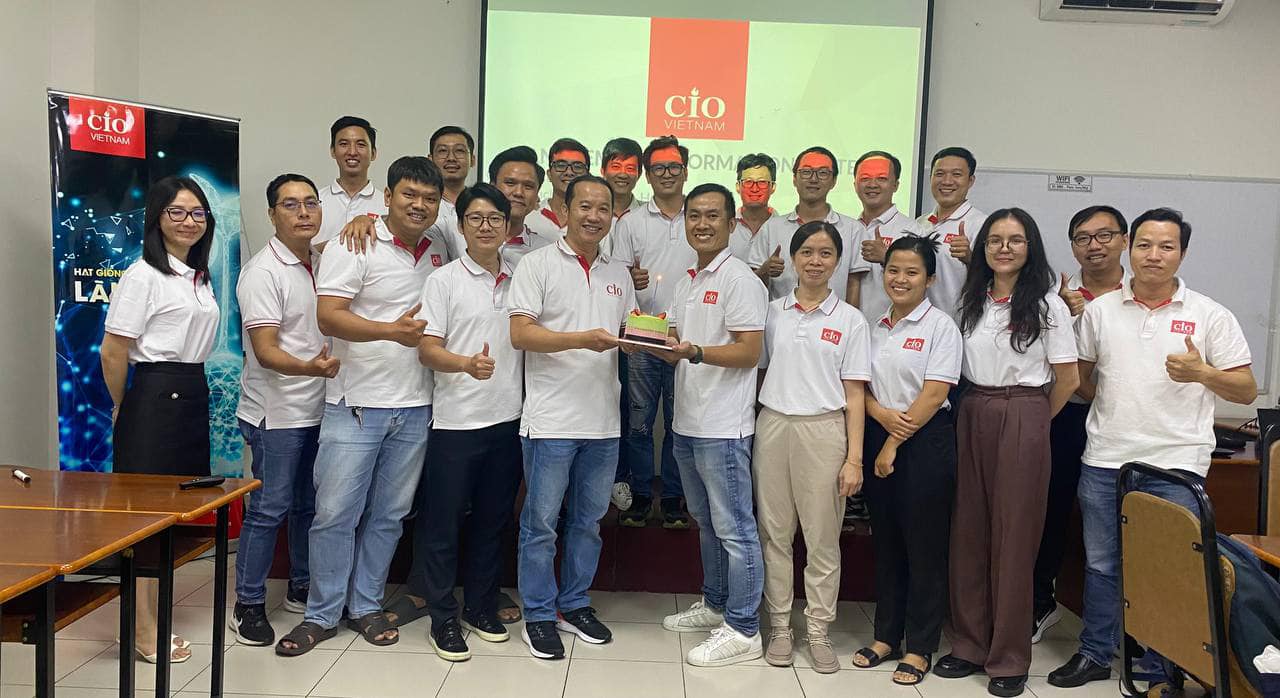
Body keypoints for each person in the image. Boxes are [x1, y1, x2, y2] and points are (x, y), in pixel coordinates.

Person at [1048, 208, 1256, 689]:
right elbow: (1079, 377)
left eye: (1166, 246)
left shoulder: (1209, 315)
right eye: (1145, 245)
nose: (1154, 255)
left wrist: (1203, 373)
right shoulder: (1101, 311)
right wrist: (1115, 400)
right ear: (1130, 247)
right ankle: (1096, 653)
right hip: (1105, 460)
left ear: (1182, 253)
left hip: (1175, 466)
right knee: (1101, 564)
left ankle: (1170, 662)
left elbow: (1246, 389)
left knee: (1170, 567)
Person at [276, 156, 448, 656]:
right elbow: (329, 317)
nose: (419, 206)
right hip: (355, 405)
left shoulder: (439, 247)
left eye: (430, 199)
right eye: (409, 195)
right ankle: (321, 614)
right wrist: (391, 331)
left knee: (390, 516)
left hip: (416, 405)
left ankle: (366, 605)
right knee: (334, 515)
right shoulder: (355, 242)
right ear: (388, 196)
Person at [935, 208, 1079, 698]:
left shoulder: (1047, 305)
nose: (1003, 248)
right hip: (973, 406)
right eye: (994, 240)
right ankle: (968, 644)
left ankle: (1009, 656)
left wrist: (1032, 421)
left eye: (1015, 240)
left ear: (1030, 247)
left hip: (1024, 410)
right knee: (968, 531)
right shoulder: (972, 299)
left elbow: (1068, 379)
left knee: (1014, 537)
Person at [509, 174, 636, 660]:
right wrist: (582, 339)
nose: (593, 216)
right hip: (550, 422)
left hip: (603, 422)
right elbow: (521, 334)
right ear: (564, 210)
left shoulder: (618, 272)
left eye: (603, 208)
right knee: (540, 525)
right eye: (585, 206)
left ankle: (575, 604)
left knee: (588, 523)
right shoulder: (537, 264)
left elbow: (629, 330)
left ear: (612, 216)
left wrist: (652, 340)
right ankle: (539, 614)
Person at [395, 183, 524, 662]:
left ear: (508, 227)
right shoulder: (444, 280)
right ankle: (443, 617)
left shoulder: (521, 277)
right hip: (456, 423)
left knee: (493, 521)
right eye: (475, 218)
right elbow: (427, 350)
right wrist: (465, 365)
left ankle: (481, 607)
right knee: (443, 525)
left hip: (509, 419)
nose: (486, 227)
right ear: (462, 226)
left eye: (495, 219)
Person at [100, 175, 218, 664]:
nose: (189, 221)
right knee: (144, 521)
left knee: (173, 518)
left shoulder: (198, 276)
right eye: (177, 211)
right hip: (152, 399)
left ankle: (151, 618)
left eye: (198, 212)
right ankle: (142, 630)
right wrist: (122, 405)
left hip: (190, 393)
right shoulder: (143, 275)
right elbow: (113, 350)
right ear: (157, 218)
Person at [657, 183, 769, 668]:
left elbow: (749, 352)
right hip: (688, 421)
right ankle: (717, 603)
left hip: (723, 426)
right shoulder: (688, 280)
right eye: (694, 215)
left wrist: (695, 351)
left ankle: (744, 628)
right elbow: (680, 340)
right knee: (707, 523)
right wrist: (654, 339)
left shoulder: (739, 279)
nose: (702, 224)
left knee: (735, 529)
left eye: (712, 216)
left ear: (731, 223)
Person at [753, 221, 868, 674]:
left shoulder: (850, 320)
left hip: (824, 431)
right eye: (807, 252)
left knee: (822, 539)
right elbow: (759, 372)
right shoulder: (771, 312)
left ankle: (818, 630)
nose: (815, 261)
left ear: (837, 261)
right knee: (774, 534)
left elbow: (855, 393)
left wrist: (854, 458)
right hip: (773, 425)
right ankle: (780, 626)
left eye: (825, 253)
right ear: (793, 259)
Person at [230, 174, 339, 647]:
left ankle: (300, 585)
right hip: (276, 413)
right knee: (269, 508)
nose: (303, 212)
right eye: (290, 205)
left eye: (311, 203)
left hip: (320, 407)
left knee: (308, 505)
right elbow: (266, 351)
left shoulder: (322, 261)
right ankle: (248, 603)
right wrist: (312, 368)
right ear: (271, 214)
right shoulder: (263, 272)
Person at [853, 235, 962, 687]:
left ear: (930, 279)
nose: (900, 279)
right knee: (887, 542)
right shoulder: (874, 325)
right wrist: (879, 417)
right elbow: (860, 385)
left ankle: (920, 646)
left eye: (912, 272)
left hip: (924, 441)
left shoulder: (941, 327)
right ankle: (886, 637)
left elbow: (935, 394)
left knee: (924, 547)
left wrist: (892, 444)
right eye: (893, 270)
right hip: (881, 429)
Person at [1031, 205, 1129, 644]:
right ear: (1072, 246)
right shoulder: (1056, 296)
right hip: (1066, 413)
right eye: (1083, 238)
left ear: (1124, 240)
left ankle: (1132, 622)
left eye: (1104, 235)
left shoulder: (1140, 294)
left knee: (1121, 522)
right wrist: (1067, 316)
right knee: (1049, 509)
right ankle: (1041, 601)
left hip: (1124, 421)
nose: (1094, 245)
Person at [609, 136, 694, 528]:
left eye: (674, 166)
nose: (667, 174)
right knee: (639, 423)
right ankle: (642, 495)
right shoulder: (631, 223)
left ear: (685, 171)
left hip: (686, 341)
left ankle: (675, 497)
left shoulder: (699, 215)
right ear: (647, 174)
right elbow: (617, 278)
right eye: (658, 167)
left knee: (680, 421)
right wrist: (630, 278)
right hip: (643, 338)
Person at [747, 146, 864, 305]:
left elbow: (853, 284)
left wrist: (851, 318)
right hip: (780, 317)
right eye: (806, 172)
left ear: (834, 181)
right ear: (794, 179)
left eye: (823, 173)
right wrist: (765, 271)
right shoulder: (771, 228)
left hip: (834, 318)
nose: (813, 179)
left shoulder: (852, 229)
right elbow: (751, 284)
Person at [850, 150, 922, 323]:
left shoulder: (912, 230)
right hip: (848, 328)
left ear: (895, 185)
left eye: (881, 178)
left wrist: (887, 258)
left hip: (893, 328)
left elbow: (922, 283)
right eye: (865, 178)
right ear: (855, 184)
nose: (872, 184)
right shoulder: (847, 228)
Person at [916, 147, 984, 316]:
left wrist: (970, 259)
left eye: (956, 174)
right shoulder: (919, 223)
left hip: (958, 323)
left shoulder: (982, 225)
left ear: (970, 181)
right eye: (939, 174)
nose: (947, 181)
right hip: (918, 323)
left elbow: (997, 279)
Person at [315, 116, 382, 251]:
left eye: (361, 145)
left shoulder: (387, 205)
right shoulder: (315, 203)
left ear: (373, 153)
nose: (352, 152)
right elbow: (300, 253)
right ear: (333, 151)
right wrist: (336, 246)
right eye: (344, 144)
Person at [490, 145, 557, 270]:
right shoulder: (469, 238)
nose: (519, 193)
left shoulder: (546, 252)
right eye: (510, 183)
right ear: (492, 187)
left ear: (537, 195)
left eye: (528, 186)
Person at [427, 125, 476, 259]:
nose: (451, 158)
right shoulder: (421, 205)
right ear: (430, 160)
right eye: (443, 151)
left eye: (459, 151)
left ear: (472, 160)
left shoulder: (482, 205)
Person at [526, 137, 590, 240]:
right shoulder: (530, 216)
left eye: (577, 167)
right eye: (561, 165)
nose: (569, 172)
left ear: (587, 175)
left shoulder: (595, 220)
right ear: (549, 174)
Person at [729, 153, 777, 262]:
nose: (755, 189)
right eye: (748, 182)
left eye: (762, 182)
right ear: (738, 186)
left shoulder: (783, 228)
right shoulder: (725, 227)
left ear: (773, 187)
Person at [601, 137, 645, 221]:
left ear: (639, 174)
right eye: (616, 167)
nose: (623, 174)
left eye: (630, 168)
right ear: (603, 171)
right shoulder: (592, 214)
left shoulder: (649, 215)